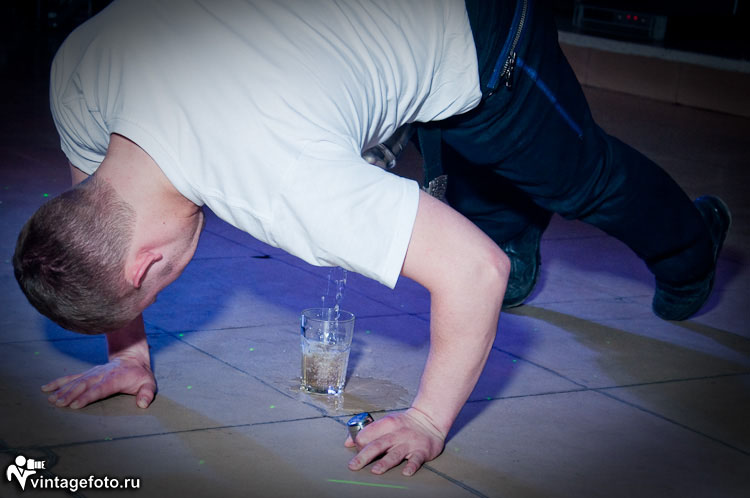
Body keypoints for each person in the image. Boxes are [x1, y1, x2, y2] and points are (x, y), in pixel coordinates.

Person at [13, 0, 729, 478]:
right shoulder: (81, 74)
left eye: (155, 291)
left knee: (575, 178)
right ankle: (513, 228)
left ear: (148, 267)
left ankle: (692, 247)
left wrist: (427, 420)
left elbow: (471, 272)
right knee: (465, 177)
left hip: (475, 27)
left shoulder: (279, 181)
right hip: (343, 34)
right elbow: (98, 238)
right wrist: (128, 355)